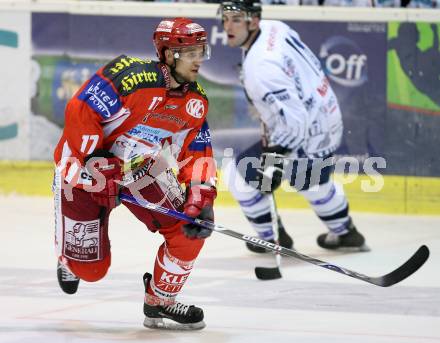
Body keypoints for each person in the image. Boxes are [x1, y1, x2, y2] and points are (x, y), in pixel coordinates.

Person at [53, 17, 217, 330]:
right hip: (85, 172)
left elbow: (198, 152)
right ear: (169, 55)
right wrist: (94, 163)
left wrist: (200, 194)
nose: (199, 60)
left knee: (188, 229)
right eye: (191, 53)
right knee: (92, 272)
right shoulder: (130, 78)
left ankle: (159, 301)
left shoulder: (196, 102)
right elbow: (80, 110)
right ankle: (68, 258)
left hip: (139, 168)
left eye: (201, 52)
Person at [219, 0, 369, 254]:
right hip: (327, 117)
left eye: (236, 19)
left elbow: (294, 121)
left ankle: (272, 238)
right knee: (310, 180)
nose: (227, 26)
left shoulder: (261, 68)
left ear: (253, 21)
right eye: (225, 18)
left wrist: (274, 161)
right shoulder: (274, 27)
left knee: (238, 176)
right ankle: (346, 233)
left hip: (305, 131)